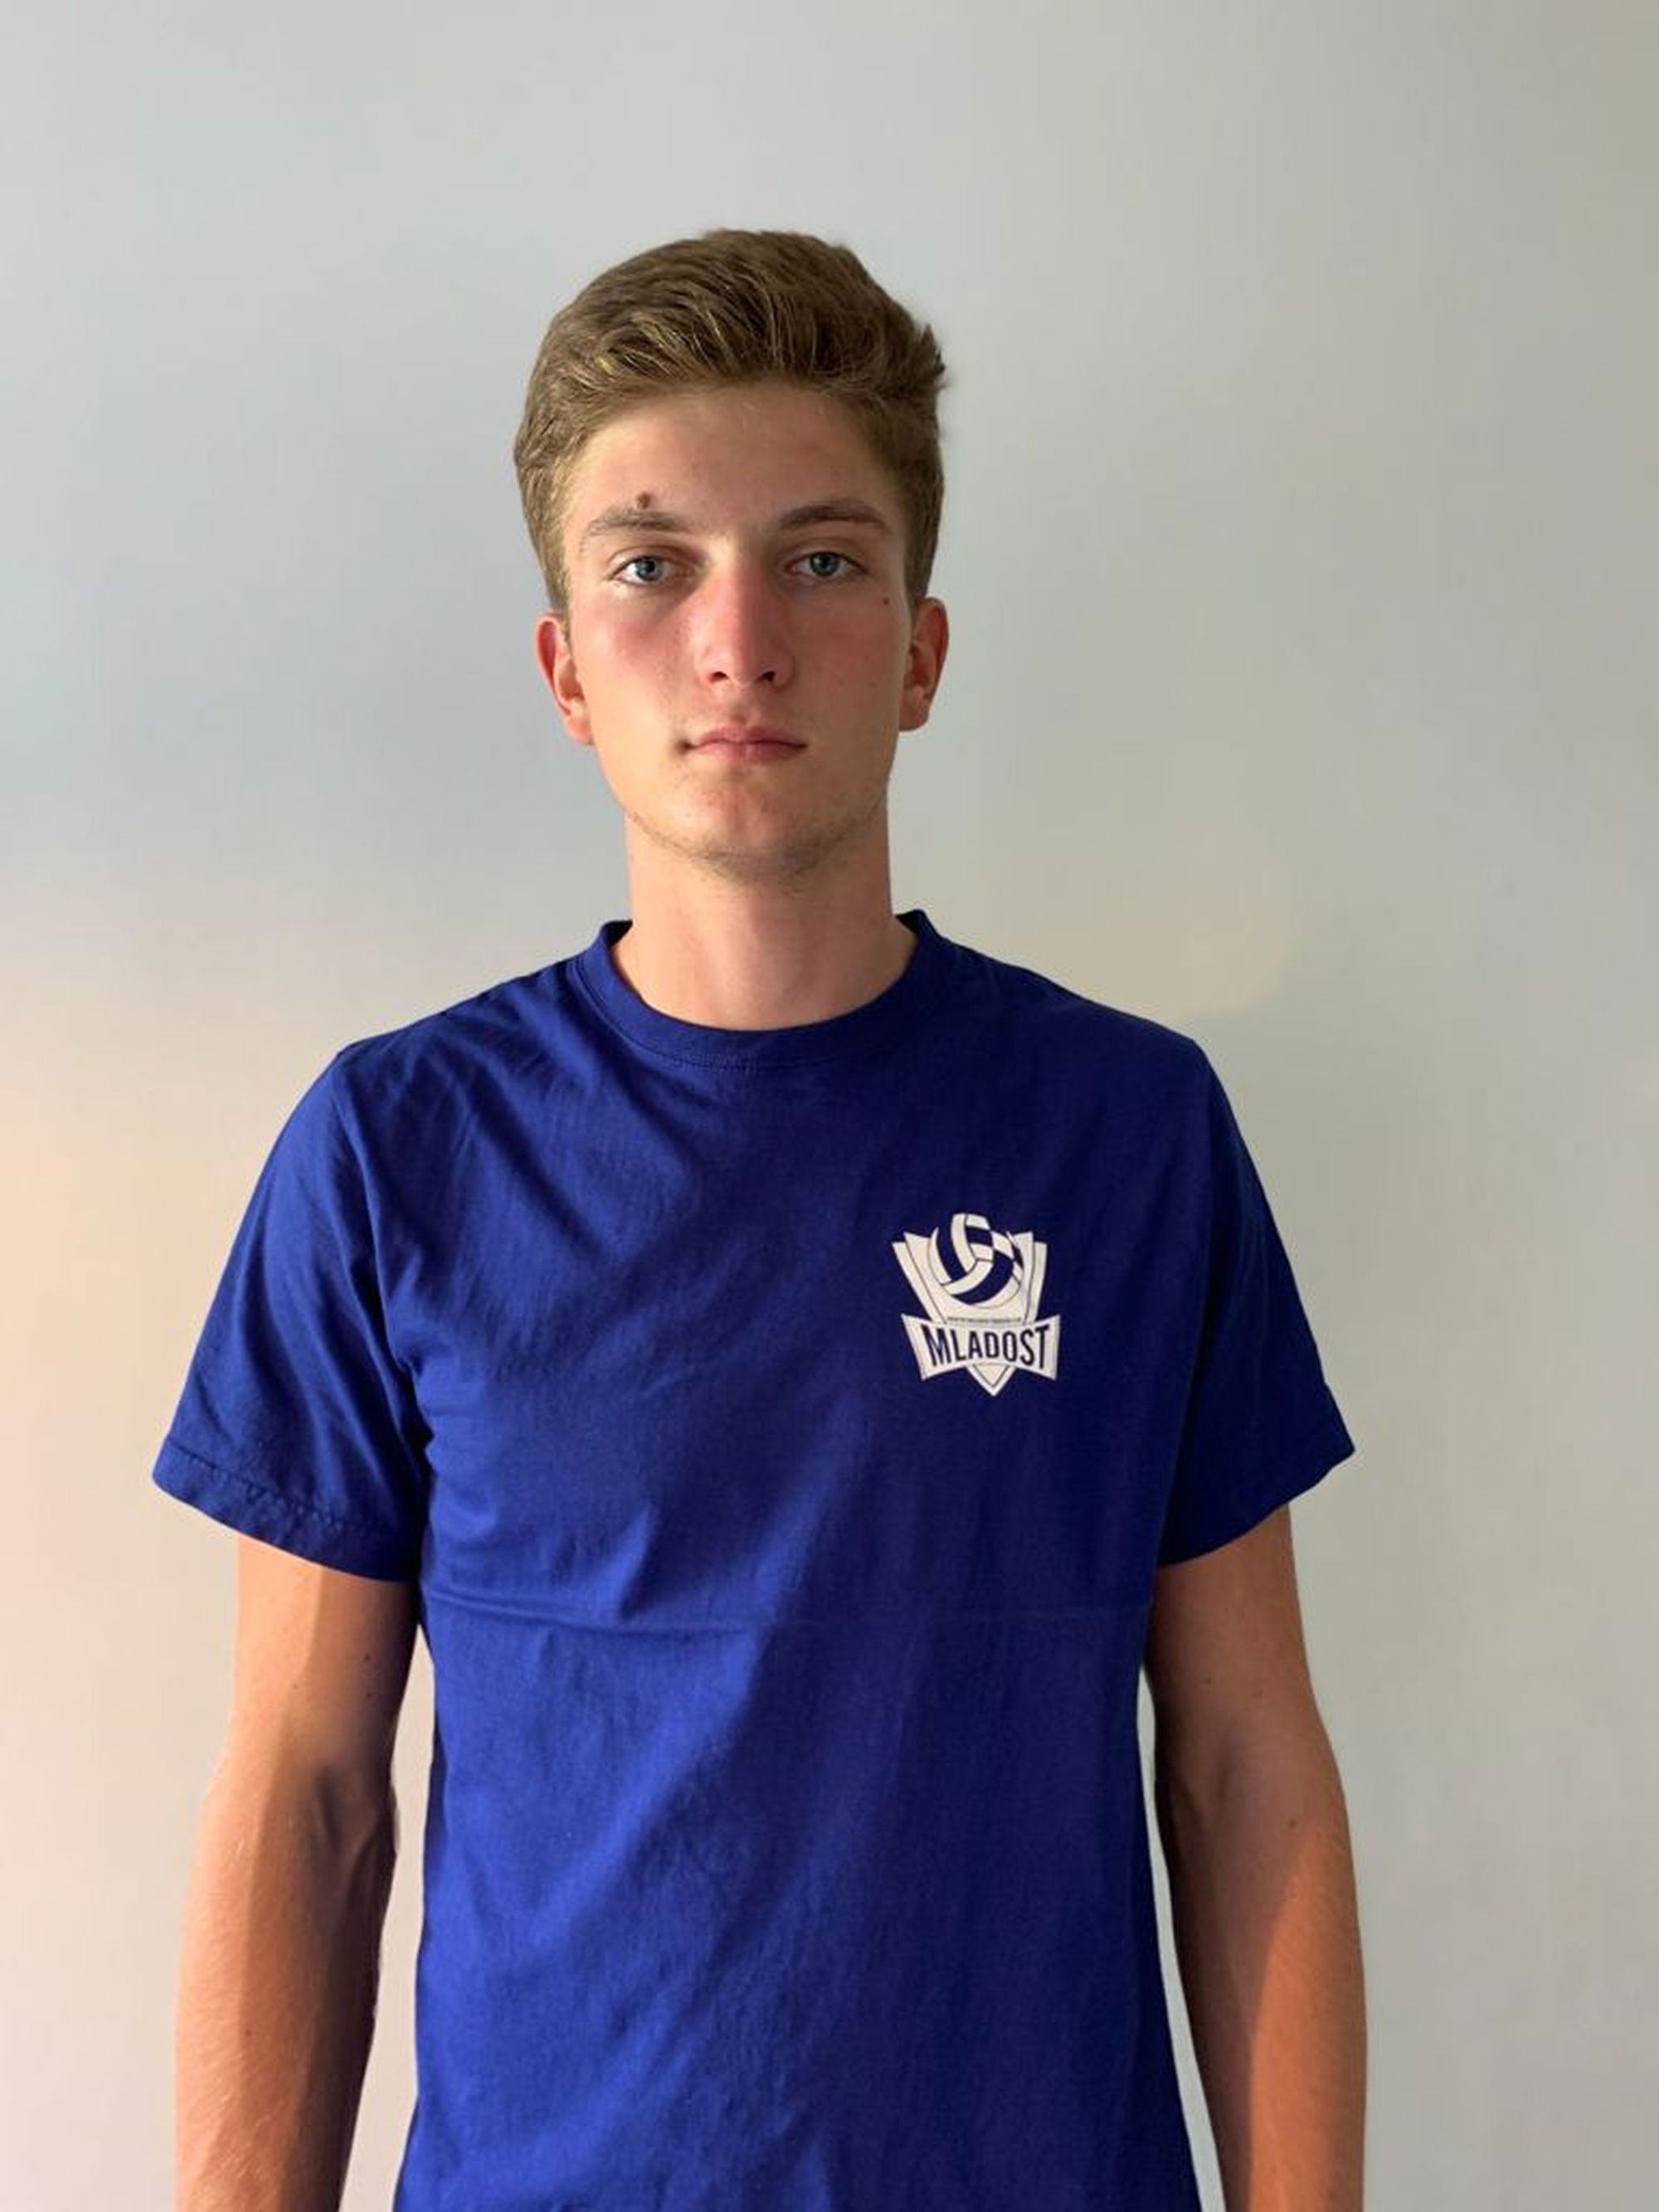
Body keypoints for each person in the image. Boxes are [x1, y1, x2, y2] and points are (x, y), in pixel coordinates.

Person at [154, 227, 1368, 2211]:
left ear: (921, 649)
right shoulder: (394, 1152)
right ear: (566, 667)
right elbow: (304, 1794)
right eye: (651, 565)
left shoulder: (1131, 1136)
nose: (738, 640)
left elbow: (1246, 1766)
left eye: (819, 559)